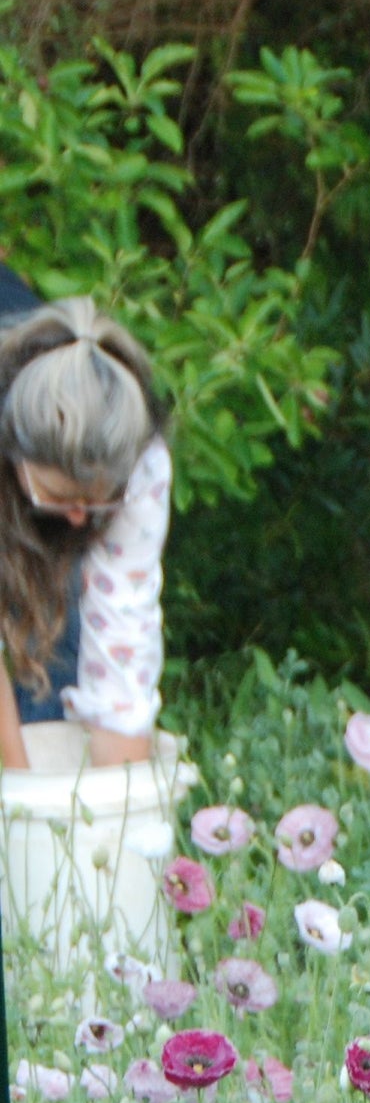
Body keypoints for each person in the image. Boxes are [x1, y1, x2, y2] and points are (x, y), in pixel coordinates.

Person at [0, 265, 171, 772]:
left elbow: (124, 635)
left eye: (98, 501)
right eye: (60, 498)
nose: (79, 519)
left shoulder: (140, 457)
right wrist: (19, 803)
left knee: (64, 634)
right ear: (16, 458)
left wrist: (120, 814)